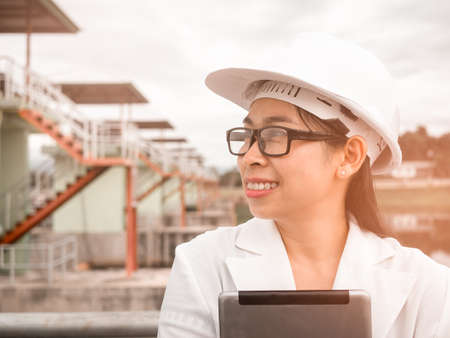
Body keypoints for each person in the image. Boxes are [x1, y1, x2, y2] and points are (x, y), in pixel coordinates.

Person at [157, 33, 450, 338]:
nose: (249, 156)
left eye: (275, 135)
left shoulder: (429, 287)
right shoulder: (201, 265)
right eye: (248, 135)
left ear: (350, 156)